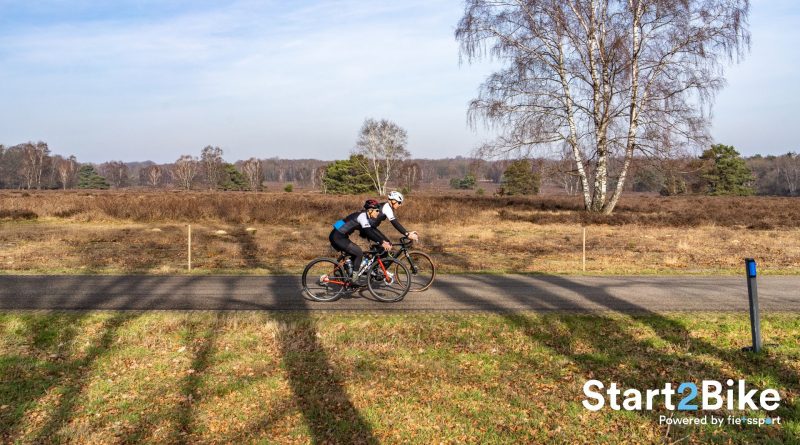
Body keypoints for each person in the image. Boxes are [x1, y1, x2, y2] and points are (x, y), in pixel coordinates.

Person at [329, 199, 392, 278]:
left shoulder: (364, 216)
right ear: (370, 210)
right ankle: (354, 278)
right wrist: (382, 242)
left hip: (340, 235)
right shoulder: (362, 217)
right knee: (359, 253)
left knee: (355, 254)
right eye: (377, 210)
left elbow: (370, 231)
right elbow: (368, 232)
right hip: (337, 237)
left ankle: (347, 274)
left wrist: (383, 241)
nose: (378, 213)